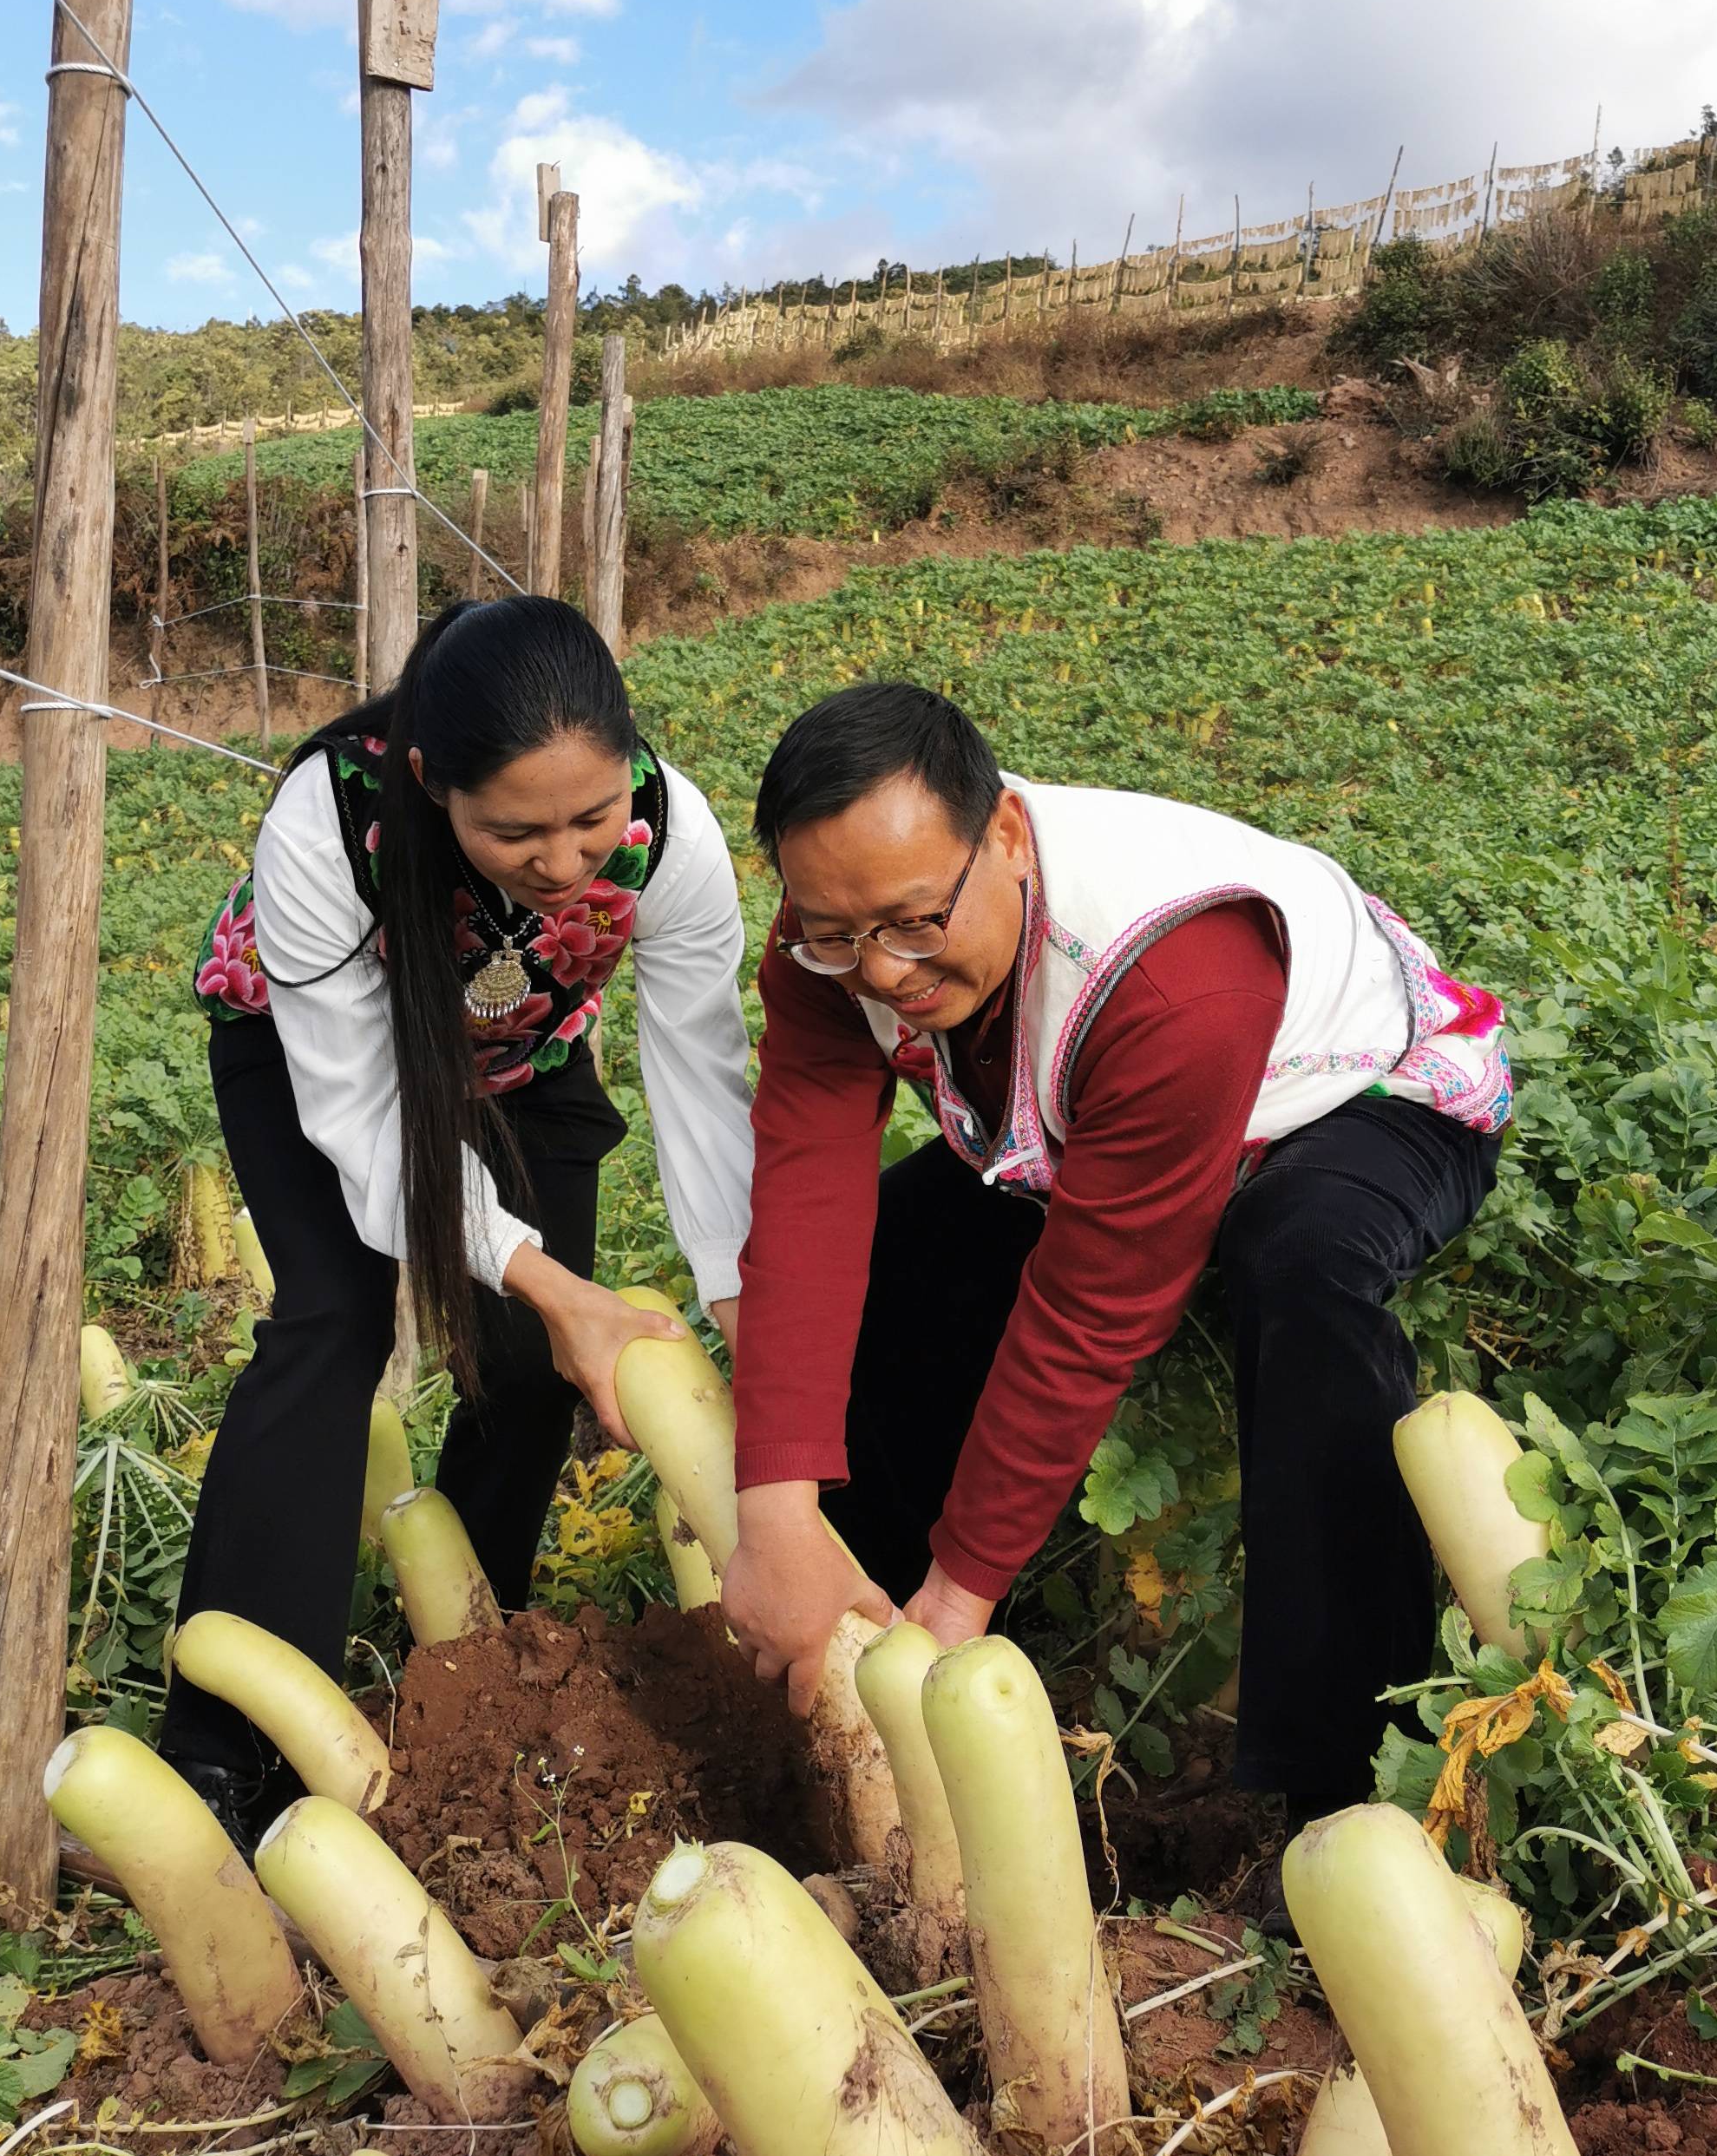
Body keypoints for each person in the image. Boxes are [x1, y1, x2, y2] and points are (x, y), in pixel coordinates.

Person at [719, 681, 1509, 1825]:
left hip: (1354, 1098)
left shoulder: (1178, 973)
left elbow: (1092, 1310)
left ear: (1003, 834)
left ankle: (1346, 1785)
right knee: (894, 1259)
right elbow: (805, 1196)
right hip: (1095, 1120)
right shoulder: (832, 941)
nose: (881, 971)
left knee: (1302, 1274)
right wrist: (780, 1515)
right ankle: (859, 1650)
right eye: (838, 935)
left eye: (911, 924)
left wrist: (962, 1596)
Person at [164, 595, 752, 1847]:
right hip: (321, 1067)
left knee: (534, 1369)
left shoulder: (672, 831)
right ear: (434, 784)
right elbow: (373, 1130)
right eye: (515, 831)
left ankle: (476, 1671)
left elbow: (703, 1075)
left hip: (523, 1062)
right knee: (334, 1323)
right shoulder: (331, 825)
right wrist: (540, 1276)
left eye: (591, 817)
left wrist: (739, 1295)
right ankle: (227, 1750)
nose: (562, 860)